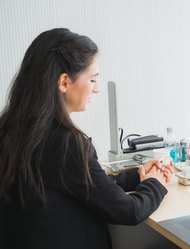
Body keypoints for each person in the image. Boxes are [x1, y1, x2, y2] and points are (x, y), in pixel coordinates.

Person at [0, 28, 173, 249]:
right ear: (63, 82)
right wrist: (155, 184)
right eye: (92, 79)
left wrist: (138, 177)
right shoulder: (65, 143)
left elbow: (82, 184)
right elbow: (129, 211)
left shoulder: (11, 130)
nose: (97, 89)